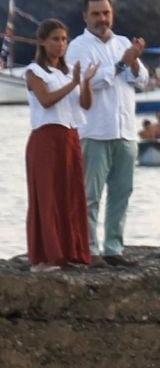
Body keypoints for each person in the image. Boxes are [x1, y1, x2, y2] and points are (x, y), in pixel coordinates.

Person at [67, 0, 145, 265]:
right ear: (85, 17)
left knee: (122, 193)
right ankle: (89, 248)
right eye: (96, 14)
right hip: (95, 131)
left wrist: (133, 60)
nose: (102, 19)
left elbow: (142, 79)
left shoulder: (123, 43)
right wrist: (123, 63)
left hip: (126, 131)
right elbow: (91, 82)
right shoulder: (78, 47)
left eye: (106, 13)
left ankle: (114, 248)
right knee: (90, 195)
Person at [23, 19, 97, 270]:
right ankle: (44, 257)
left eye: (64, 39)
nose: (61, 44)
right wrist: (74, 83)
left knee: (71, 195)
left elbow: (86, 105)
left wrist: (85, 82)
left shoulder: (66, 73)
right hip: (46, 139)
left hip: (70, 137)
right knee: (47, 197)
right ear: (43, 42)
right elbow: (46, 100)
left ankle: (71, 252)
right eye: (55, 39)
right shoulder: (34, 71)